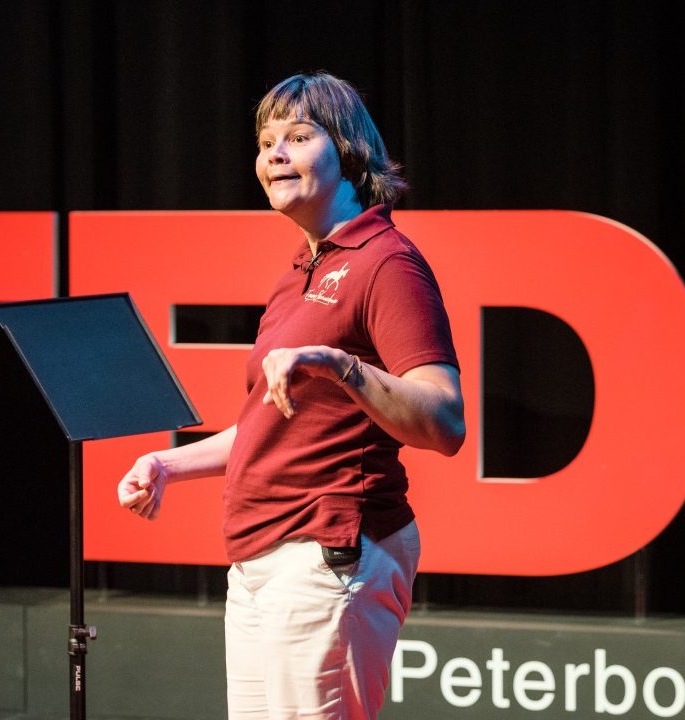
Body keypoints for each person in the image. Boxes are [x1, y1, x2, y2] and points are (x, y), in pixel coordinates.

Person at [116, 71, 464, 720]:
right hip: (258, 558)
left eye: (298, 137)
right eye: (265, 140)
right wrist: (167, 463)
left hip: (330, 551)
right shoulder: (300, 274)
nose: (274, 152)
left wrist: (343, 367)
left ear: (349, 153)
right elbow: (267, 427)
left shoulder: (386, 263)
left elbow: (445, 421)